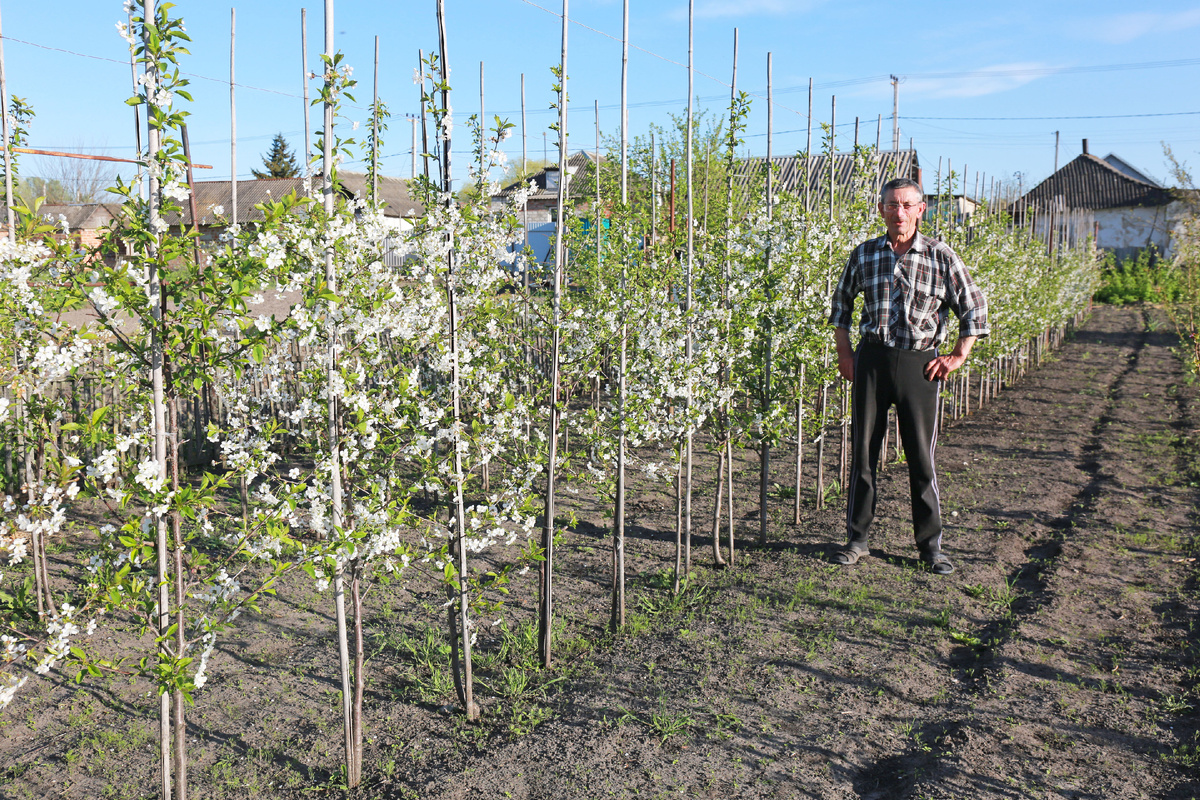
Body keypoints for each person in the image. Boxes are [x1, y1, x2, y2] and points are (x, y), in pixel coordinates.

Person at [827, 177, 989, 575]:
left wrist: (957, 356)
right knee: (863, 453)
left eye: (906, 205)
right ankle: (857, 539)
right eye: (891, 205)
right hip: (872, 362)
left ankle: (931, 546)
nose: (898, 212)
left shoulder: (940, 256)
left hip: (921, 366)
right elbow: (841, 304)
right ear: (881, 209)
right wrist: (845, 351)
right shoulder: (864, 255)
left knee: (921, 456)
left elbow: (974, 308)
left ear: (920, 210)